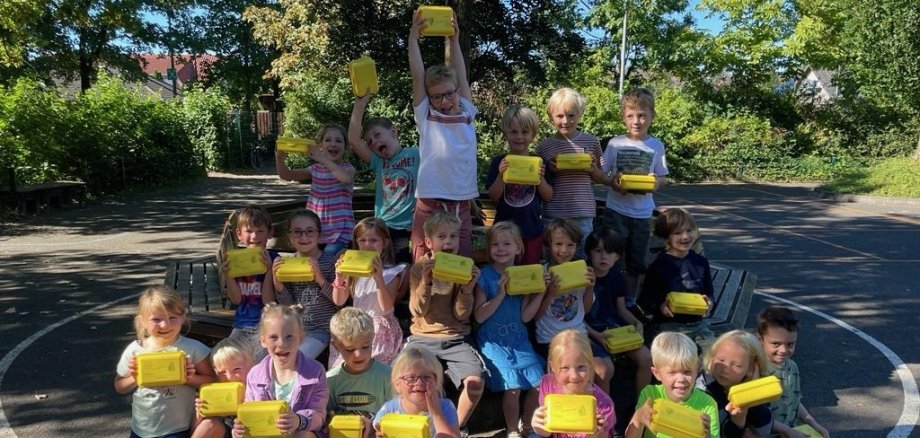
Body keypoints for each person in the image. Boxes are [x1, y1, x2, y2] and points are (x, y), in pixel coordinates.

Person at [408, 7, 479, 260]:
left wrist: (453, 39)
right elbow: (418, 77)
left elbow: (461, 76)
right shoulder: (427, 116)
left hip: (460, 202)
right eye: (437, 96)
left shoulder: (467, 111)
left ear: (457, 91)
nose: (445, 100)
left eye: (449, 93)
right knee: (423, 261)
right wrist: (413, 40)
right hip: (430, 200)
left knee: (461, 264)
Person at [407, 211, 485, 430]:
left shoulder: (464, 267)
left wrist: (467, 290)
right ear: (429, 242)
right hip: (422, 337)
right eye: (442, 237)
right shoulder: (420, 267)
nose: (449, 241)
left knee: (475, 383)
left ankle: (453, 429)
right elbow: (416, 310)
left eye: (454, 236)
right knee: (408, 378)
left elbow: (461, 315)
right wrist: (426, 283)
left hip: (455, 338)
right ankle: (421, 425)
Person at [473, 222, 546, 438]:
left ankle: (528, 425)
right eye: (495, 244)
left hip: (518, 339)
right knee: (512, 388)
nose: (501, 248)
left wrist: (541, 292)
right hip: (493, 341)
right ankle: (512, 429)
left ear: (519, 248)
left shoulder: (523, 275)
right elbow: (479, 316)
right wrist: (500, 294)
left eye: (507, 243)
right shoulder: (485, 276)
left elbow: (525, 316)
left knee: (538, 384)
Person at [114, 286, 216, 438]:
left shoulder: (193, 349)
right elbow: (119, 386)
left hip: (177, 429)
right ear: (142, 321)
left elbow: (214, 380)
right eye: (156, 319)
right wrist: (135, 378)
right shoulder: (135, 350)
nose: (165, 325)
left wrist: (189, 378)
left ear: (183, 317)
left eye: (172, 318)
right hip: (141, 429)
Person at [600, 87, 669, 304]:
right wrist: (613, 181)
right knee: (612, 258)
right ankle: (611, 297)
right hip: (616, 210)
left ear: (652, 116)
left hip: (642, 214)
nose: (636, 121)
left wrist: (654, 183)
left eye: (642, 115)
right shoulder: (615, 143)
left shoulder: (656, 146)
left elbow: (663, 177)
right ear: (623, 118)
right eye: (630, 116)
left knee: (636, 261)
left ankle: (629, 300)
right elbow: (602, 173)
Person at [535, 219, 614, 395]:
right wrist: (550, 293)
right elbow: (536, 316)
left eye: (570, 245)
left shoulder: (581, 270)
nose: (564, 250)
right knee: (583, 374)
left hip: (578, 334)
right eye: (558, 244)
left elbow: (583, 311)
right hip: (551, 338)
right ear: (548, 244)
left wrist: (590, 286)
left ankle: (603, 412)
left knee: (605, 369)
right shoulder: (542, 273)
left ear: (577, 246)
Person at [232, 303, 328, 438]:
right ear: (263, 341)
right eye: (273, 337)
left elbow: (319, 416)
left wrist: (299, 420)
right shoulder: (255, 375)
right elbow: (249, 411)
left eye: (289, 336)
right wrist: (240, 430)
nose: (282, 343)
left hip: (298, 433)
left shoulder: (315, 372)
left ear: (301, 338)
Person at [535, 87, 606, 257]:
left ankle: (581, 285)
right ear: (551, 116)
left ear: (580, 114)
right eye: (560, 116)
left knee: (581, 257)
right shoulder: (544, 147)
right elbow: (538, 180)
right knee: (553, 257)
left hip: (582, 212)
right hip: (553, 212)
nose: (566, 121)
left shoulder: (592, 141)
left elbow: (602, 178)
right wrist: (549, 171)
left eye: (571, 115)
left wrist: (593, 169)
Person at [348, 94, 419, 264]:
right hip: (382, 229)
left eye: (378, 135)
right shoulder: (378, 161)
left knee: (404, 269)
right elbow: (353, 140)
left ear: (393, 131)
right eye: (370, 142)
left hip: (409, 227)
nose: (374, 142)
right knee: (380, 267)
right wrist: (360, 103)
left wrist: (469, 202)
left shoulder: (416, 154)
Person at [583, 226, 652, 397]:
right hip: (588, 330)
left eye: (610, 252)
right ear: (589, 253)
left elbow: (621, 309)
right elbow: (575, 316)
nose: (604, 256)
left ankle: (641, 405)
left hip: (614, 328)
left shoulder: (616, 276)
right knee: (605, 370)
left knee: (646, 358)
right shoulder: (583, 276)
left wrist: (637, 322)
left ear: (618, 257)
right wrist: (595, 334)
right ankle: (606, 414)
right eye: (598, 251)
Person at [331, 217, 407, 367]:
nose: (367, 245)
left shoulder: (392, 272)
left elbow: (386, 308)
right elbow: (339, 301)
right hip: (355, 324)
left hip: (378, 326)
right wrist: (339, 277)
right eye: (362, 240)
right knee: (341, 363)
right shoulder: (353, 269)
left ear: (384, 243)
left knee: (372, 362)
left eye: (373, 240)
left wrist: (379, 279)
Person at [486, 105, 554, 264]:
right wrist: (501, 176)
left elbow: (548, 196)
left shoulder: (539, 162)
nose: (519, 137)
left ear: (533, 135)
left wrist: (541, 179)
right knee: (504, 272)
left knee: (529, 275)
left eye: (525, 132)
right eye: (514, 132)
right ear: (506, 134)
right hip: (503, 234)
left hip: (531, 230)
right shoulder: (499, 162)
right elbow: (494, 196)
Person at [276, 123, 356, 258]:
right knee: (310, 261)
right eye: (328, 140)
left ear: (345, 147)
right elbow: (286, 175)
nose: (333, 143)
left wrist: (322, 158)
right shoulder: (315, 169)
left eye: (338, 140)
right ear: (320, 146)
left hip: (339, 233)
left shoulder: (348, 169)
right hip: (314, 232)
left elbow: (346, 178)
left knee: (328, 259)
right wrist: (279, 158)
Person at [273, 209, 342, 359]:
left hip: (322, 329)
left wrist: (319, 278)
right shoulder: (287, 263)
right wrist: (279, 285)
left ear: (319, 235)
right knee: (274, 357)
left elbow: (339, 302)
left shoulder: (331, 261)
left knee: (295, 358)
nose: (304, 237)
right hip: (295, 329)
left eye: (310, 231)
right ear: (290, 237)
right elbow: (289, 307)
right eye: (297, 232)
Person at [640, 208, 715, 345]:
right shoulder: (659, 266)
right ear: (666, 237)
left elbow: (709, 292)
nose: (685, 237)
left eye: (689, 230)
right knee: (678, 358)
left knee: (713, 355)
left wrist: (709, 303)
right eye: (678, 233)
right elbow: (645, 301)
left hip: (698, 324)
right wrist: (661, 307)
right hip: (669, 326)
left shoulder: (701, 262)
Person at [625, 332, 719, 438]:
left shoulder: (708, 404)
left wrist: (707, 435)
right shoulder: (650, 395)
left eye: (687, 371)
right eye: (672, 373)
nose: (681, 379)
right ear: (657, 373)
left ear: (697, 369)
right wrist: (639, 417)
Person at [757, 307, 830, 438]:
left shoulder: (792, 367)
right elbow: (754, 415)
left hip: (792, 432)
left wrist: (812, 423)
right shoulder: (756, 370)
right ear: (760, 339)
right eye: (776, 344)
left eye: (790, 344)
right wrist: (787, 431)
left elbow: (794, 400)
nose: (784, 350)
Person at [531, 330, 614, 438]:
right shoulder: (548, 383)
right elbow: (548, 430)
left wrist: (595, 435)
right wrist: (538, 427)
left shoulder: (603, 405)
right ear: (553, 367)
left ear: (590, 364)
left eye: (581, 367)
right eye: (565, 368)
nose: (574, 376)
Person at [223, 205, 279, 360]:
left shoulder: (275, 259)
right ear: (239, 234)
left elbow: (269, 302)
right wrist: (228, 275)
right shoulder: (236, 260)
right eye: (249, 231)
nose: (254, 236)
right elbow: (236, 300)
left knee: (260, 361)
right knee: (229, 359)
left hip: (265, 325)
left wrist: (268, 271)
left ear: (270, 233)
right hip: (241, 324)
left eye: (260, 230)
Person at [326, 307, 393, 438]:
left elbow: (395, 414)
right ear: (336, 346)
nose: (358, 354)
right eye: (350, 349)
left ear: (373, 338)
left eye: (365, 346)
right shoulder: (330, 380)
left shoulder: (387, 376)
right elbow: (327, 418)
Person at [697, 330, 773, 438]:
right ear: (712, 357)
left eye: (737, 365)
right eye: (721, 360)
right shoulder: (703, 389)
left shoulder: (760, 386)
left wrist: (752, 393)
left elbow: (764, 430)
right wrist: (738, 421)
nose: (725, 369)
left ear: (751, 368)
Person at [373, 346, 461, 438]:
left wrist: (436, 414)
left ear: (436, 382)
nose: (419, 382)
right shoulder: (389, 409)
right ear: (397, 384)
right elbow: (376, 432)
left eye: (426, 377)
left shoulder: (445, 407)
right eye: (411, 377)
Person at [192, 337, 256, 438]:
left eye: (236, 369)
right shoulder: (216, 393)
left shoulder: (259, 390)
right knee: (210, 424)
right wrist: (200, 414)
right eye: (222, 372)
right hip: (225, 432)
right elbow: (196, 431)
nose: (230, 377)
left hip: (249, 433)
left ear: (253, 365)